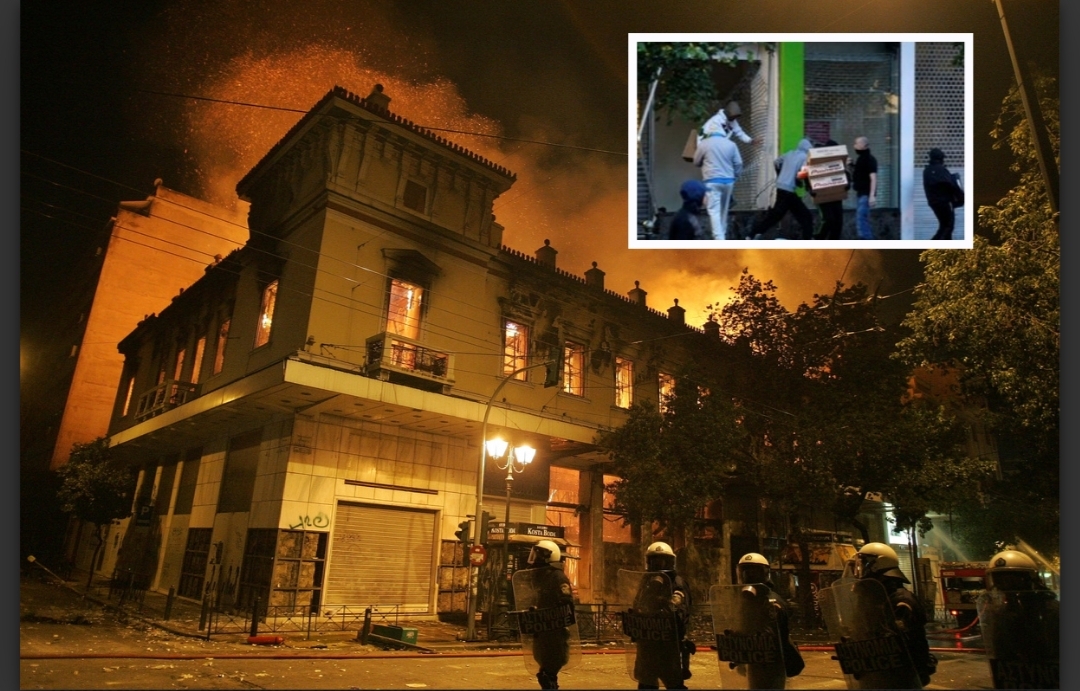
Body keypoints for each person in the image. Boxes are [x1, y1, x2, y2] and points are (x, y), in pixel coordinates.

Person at [855, 542, 936, 686]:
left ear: (877, 564)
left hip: (904, 677)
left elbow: (895, 641)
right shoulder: (879, 598)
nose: (860, 567)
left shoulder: (901, 600)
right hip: (883, 674)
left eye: (864, 562)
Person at [735, 553, 805, 679]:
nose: (748, 577)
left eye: (753, 573)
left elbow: (772, 635)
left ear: (765, 574)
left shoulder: (772, 601)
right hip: (755, 660)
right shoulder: (748, 601)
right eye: (744, 572)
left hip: (772, 663)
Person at [635, 541, 694, 689]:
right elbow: (637, 604)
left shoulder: (677, 583)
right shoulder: (646, 582)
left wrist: (661, 603)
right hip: (648, 644)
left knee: (674, 685)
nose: (658, 566)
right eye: (654, 562)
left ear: (670, 562)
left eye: (661, 562)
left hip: (668, 647)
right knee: (646, 684)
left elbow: (679, 614)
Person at [524, 540, 575, 690]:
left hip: (554, 632)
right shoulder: (542, 576)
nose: (534, 558)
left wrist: (551, 614)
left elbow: (566, 603)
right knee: (545, 670)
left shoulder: (557, 577)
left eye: (538, 555)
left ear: (547, 556)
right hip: (543, 630)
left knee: (548, 672)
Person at [750, 138, 815, 240]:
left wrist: (780, 174)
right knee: (804, 216)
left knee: (778, 216)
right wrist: (809, 187)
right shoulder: (804, 157)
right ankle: (808, 239)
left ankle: (753, 233)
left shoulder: (789, 153)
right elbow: (804, 173)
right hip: (788, 191)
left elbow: (776, 162)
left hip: (781, 188)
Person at [693, 120, 743, 240]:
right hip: (728, 182)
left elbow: (696, 162)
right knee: (723, 210)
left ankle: (719, 240)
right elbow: (739, 163)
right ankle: (722, 235)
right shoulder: (731, 144)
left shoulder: (704, 144)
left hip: (712, 181)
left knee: (713, 210)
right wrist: (735, 175)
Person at [810, 139, 851, 240]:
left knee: (838, 222)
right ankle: (817, 239)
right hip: (823, 196)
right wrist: (812, 190)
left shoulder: (838, 164)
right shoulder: (818, 162)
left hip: (836, 197)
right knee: (829, 219)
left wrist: (846, 185)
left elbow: (846, 177)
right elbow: (811, 176)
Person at [922, 148, 964, 240]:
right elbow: (951, 185)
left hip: (934, 202)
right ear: (941, 158)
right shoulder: (941, 170)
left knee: (944, 225)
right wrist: (961, 197)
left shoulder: (927, 171)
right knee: (948, 226)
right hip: (945, 202)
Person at [851, 136, 878, 240]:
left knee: (861, 220)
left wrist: (872, 196)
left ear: (863, 145)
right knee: (861, 220)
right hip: (861, 194)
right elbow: (860, 174)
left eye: (856, 144)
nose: (854, 146)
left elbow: (873, 178)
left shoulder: (869, 159)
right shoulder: (861, 159)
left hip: (865, 194)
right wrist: (852, 166)